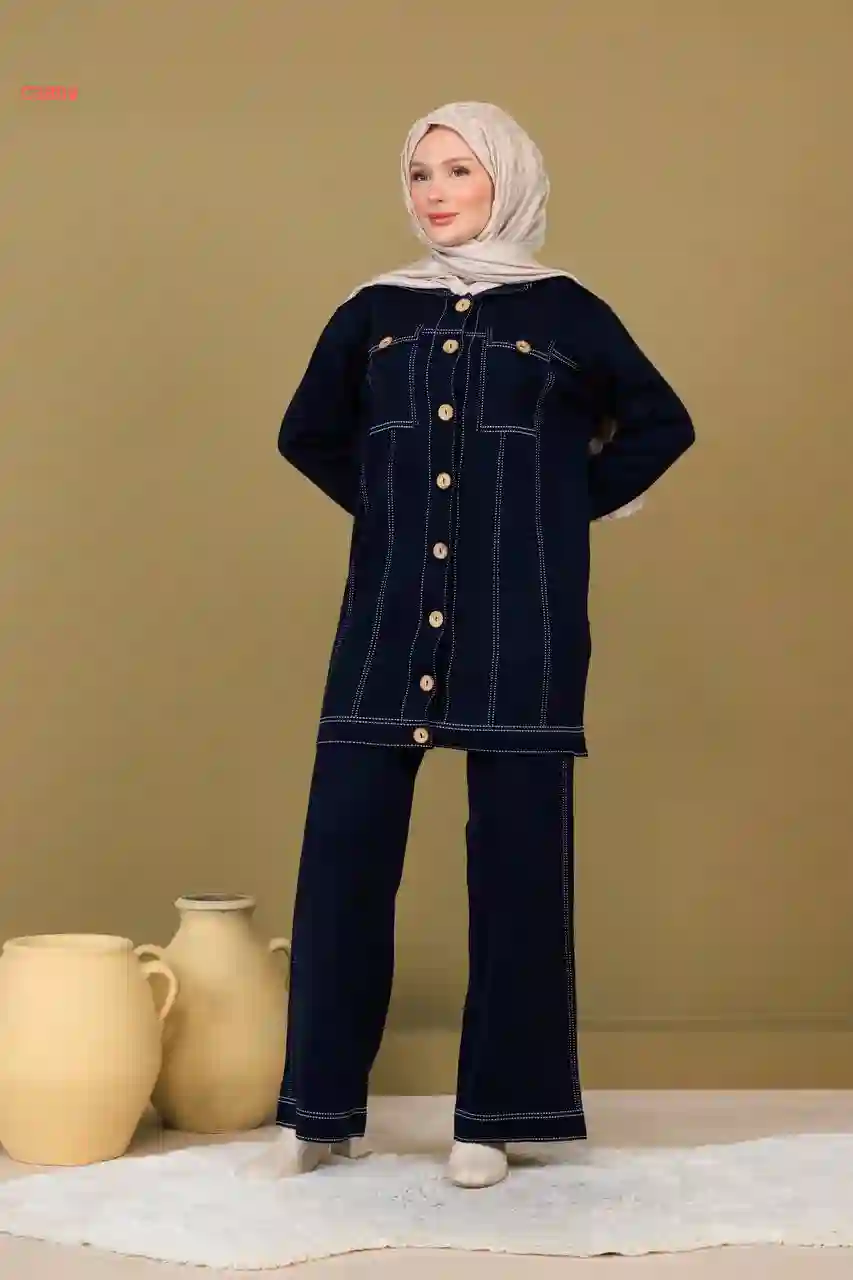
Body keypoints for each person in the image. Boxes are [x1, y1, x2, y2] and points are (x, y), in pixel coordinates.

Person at [244, 101, 695, 1189]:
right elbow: (308, 432)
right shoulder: (373, 312)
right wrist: (394, 510)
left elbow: (660, 424)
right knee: (344, 857)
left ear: (507, 179)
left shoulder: (567, 312)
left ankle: (499, 1115)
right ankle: (319, 1112)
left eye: (458, 170)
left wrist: (550, 512)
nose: (436, 192)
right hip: (386, 617)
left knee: (518, 865)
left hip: (523, 622)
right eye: (419, 174)